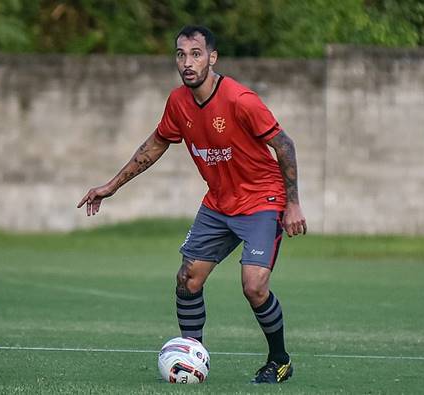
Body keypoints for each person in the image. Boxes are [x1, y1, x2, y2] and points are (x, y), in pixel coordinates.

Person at [77, 25, 306, 383]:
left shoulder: (240, 100)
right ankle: (191, 356)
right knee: (188, 279)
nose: (188, 62)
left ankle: (279, 360)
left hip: (263, 199)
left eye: (196, 54)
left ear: (212, 58)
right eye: (181, 54)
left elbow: (285, 146)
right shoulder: (178, 103)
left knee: (254, 286)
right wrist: (111, 186)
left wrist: (292, 204)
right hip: (218, 204)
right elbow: (153, 146)